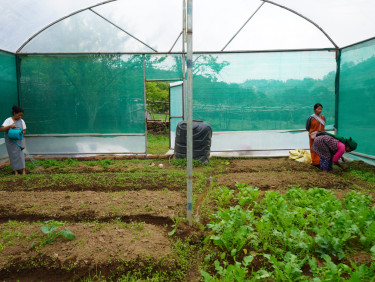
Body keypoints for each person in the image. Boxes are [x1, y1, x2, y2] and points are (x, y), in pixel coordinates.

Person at [0, 106, 27, 175]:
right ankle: (15, 171)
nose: (20, 117)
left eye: (21, 115)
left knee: (21, 154)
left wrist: (20, 132)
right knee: (13, 155)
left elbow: (24, 131)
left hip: (18, 140)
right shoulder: (8, 120)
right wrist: (9, 126)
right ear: (14, 113)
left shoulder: (22, 121)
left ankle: (23, 170)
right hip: (10, 141)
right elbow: (1, 129)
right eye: (19, 115)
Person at [306, 103, 326, 167]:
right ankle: (315, 162)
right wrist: (313, 132)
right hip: (313, 136)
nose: (320, 110)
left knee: (321, 148)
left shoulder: (323, 117)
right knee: (314, 148)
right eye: (318, 109)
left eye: (321, 109)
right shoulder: (311, 118)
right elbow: (307, 127)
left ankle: (321, 162)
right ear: (314, 109)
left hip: (321, 136)